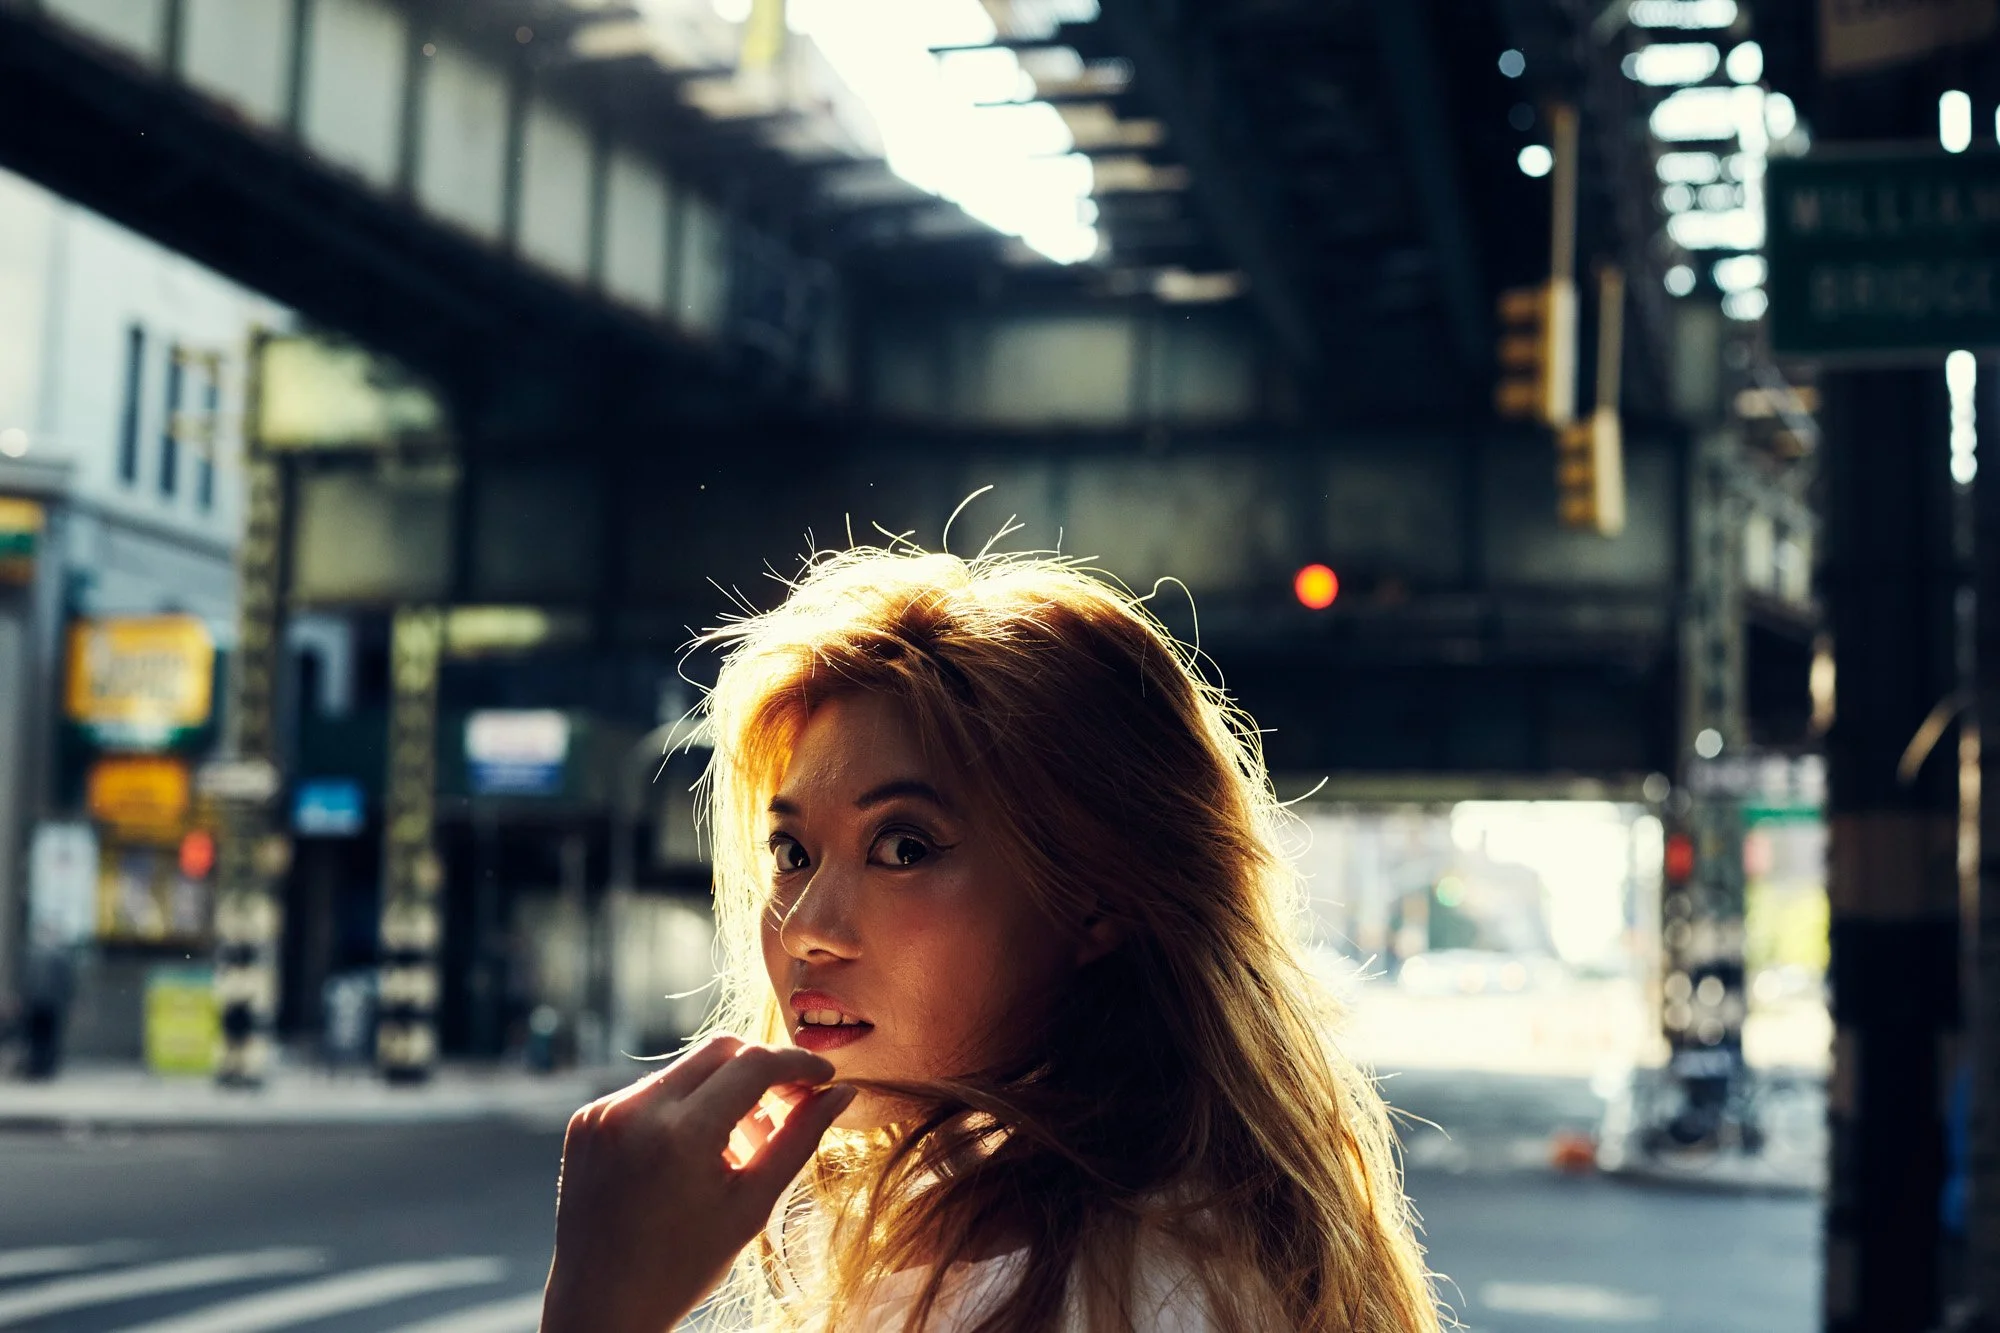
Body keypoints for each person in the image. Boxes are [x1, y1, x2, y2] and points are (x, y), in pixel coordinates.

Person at [542, 546, 1443, 1332]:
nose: (806, 929)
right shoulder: (1178, 1232)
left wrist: (598, 1307)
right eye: (791, 850)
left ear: (1095, 898)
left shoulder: (1063, 1293)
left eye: (903, 848)